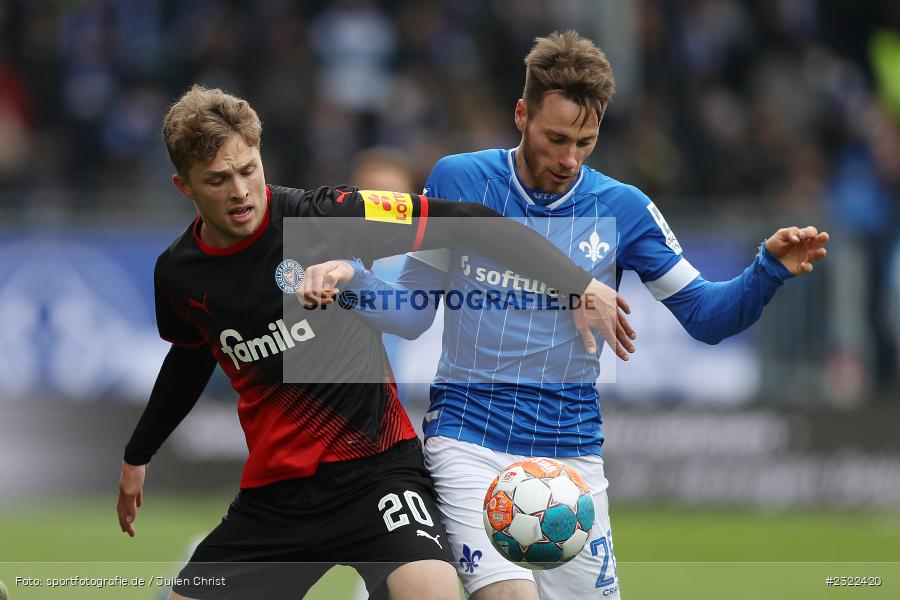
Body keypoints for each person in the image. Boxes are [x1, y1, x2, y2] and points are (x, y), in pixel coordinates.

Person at [301, 31, 829, 600]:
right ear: (521, 115)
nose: (569, 159)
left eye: (585, 142)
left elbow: (707, 317)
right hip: (468, 441)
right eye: (555, 139)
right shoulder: (460, 180)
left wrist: (767, 269)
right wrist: (354, 281)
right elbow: (411, 313)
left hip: (570, 456)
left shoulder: (623, 208)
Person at [115, 85, 633, 600]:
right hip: (277, 497)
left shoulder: (323, 217)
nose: (240, 191)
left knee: (432, 594)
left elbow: (470, 223)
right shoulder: (180, 273)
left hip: (379, 475)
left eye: (249, 169)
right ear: (184, 186)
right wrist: (139, 455)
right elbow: (190, 357)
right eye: (218, 179)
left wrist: (578, 283)